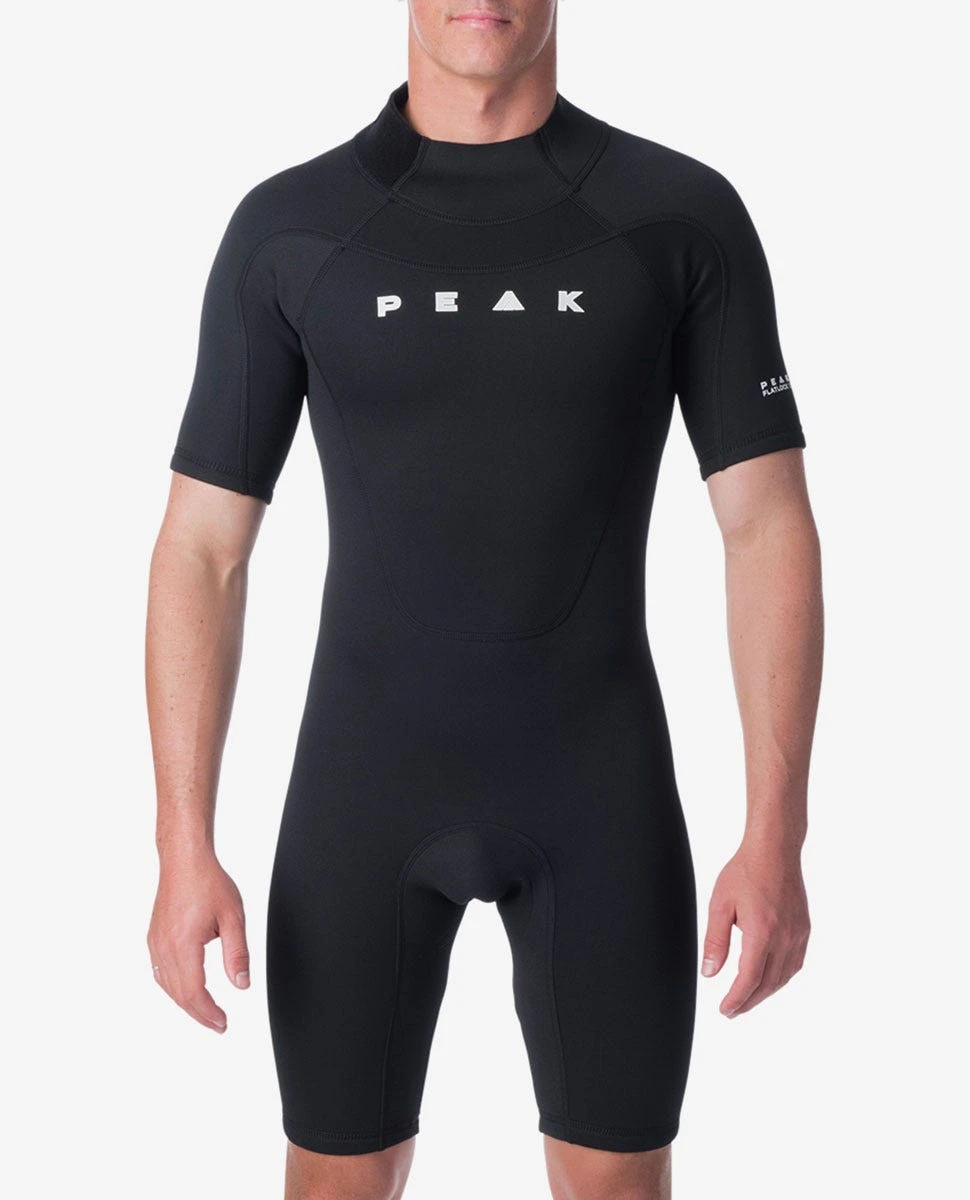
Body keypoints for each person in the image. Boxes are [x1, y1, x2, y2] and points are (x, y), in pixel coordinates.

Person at [145, 3, 822, 1197]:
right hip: (360, 796)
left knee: (616, 1181)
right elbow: (202, 548)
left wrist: (778, 834)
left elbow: (764, 525)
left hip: (598, 793)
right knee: (336, 1177)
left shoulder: (676, 217)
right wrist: (180, 844)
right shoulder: (292, 228)